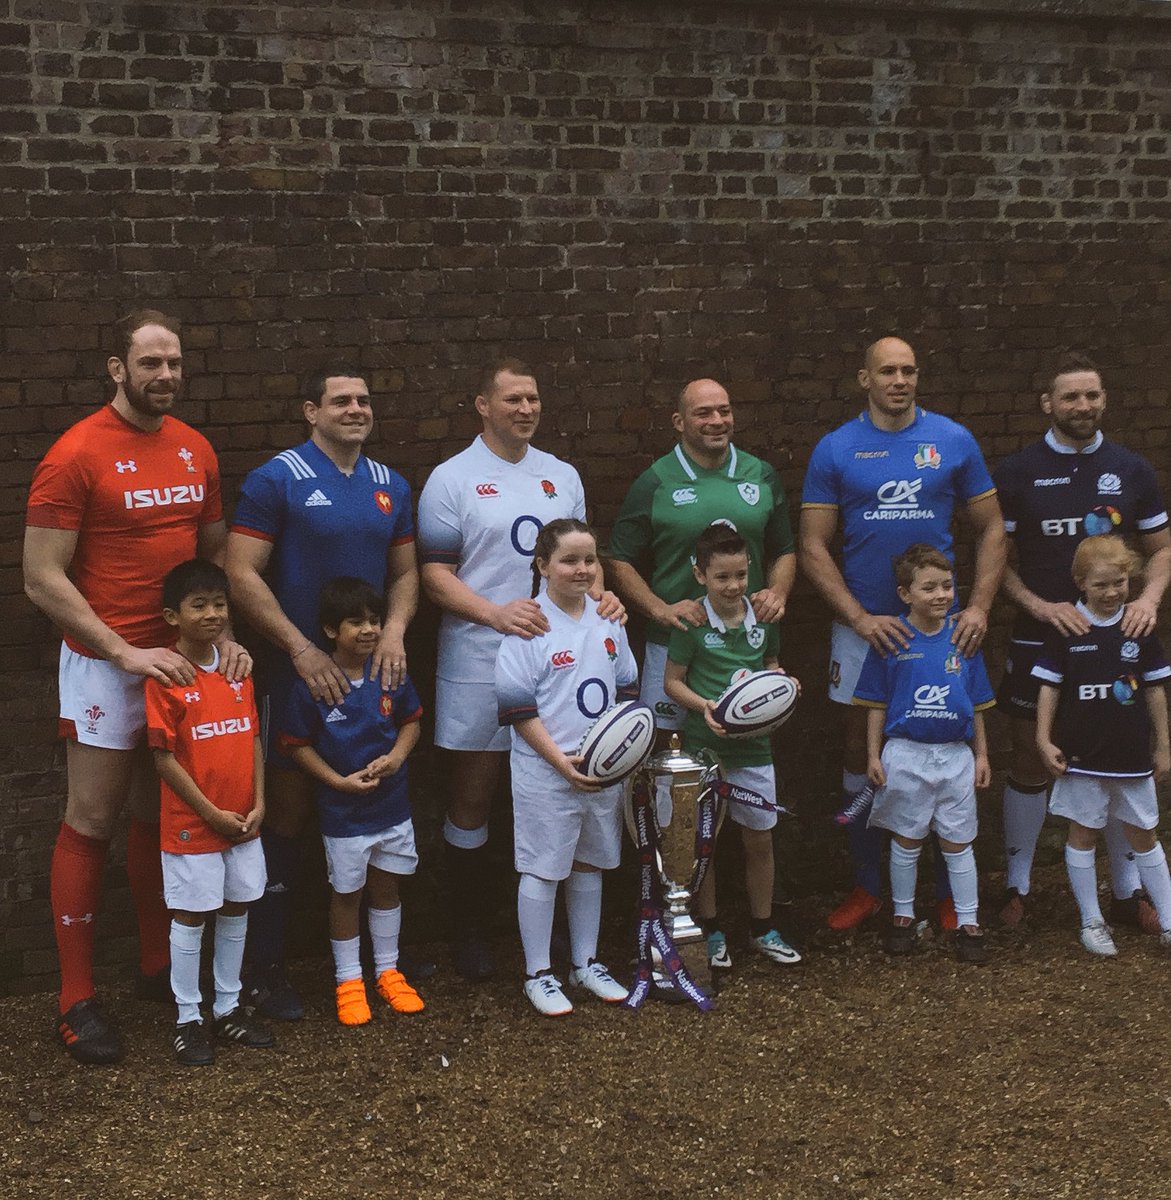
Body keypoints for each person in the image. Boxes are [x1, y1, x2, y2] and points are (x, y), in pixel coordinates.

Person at [24, 308, 248, 1065]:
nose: (165, 375)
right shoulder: (75, 453)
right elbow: (40, 575)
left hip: (181, 663)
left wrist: (222, 636)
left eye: (174, 362)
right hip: (107, 663)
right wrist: (121, 651)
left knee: (163, 815)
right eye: (150, 362)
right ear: (117, 369)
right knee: (92, 818)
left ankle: (159, 968)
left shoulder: (194, 448)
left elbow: (212, 557)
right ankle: (75, 999)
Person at [418, 358, 622, 981]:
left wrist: (604, 599)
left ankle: (560, 934)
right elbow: (433, 575)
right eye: (512, 400)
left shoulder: (561, 474)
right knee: (474, 796)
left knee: (563, 782)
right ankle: (471, 929)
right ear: (483, 405)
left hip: (561, 666)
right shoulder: (451, 478)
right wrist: (495, 614)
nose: (526, 409)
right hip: (478, 658)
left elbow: (584, 561)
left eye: (532, 398)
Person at [226, 365, 418, 1019]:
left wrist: (395, 632)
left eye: (364, 399)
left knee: (377, 802)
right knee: (286, 814)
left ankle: (381, 964)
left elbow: (405, 574)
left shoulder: (390, 484)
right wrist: (300, 648)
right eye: (341, 401)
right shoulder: (276, 478)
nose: (356, 409)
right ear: (312, 411)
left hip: (370, 677)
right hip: (298, 675)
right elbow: (240, 573)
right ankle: (265, 968)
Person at [800, 337, 1006, 931]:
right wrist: (859, 617)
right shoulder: (836, 448)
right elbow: (812, 544)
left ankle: (947, 893)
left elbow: (992, 527)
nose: (899, 380)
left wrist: (979, 608)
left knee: (949, 737)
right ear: (864, 379)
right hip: (864, 629)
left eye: (909, 370)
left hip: (940, 628)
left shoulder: (953, 439)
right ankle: (869, 885)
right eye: (887, 371)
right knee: (858, 750)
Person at [993, 352, 1171, 929]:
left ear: (1104, 400)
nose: (1082, 405)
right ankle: (1017, 886)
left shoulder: (1131, 469)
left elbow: (1162, 549)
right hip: (1042, 638)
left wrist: (1148, 600)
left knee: (1120, 756)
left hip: (1117, 643)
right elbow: (996, 562)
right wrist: (1041, 607)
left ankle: (1126, 893)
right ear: (1048, 403)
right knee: (1030, 754)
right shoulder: (1018, 472)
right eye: (1070, 396)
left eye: (1091, 395)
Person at [495, 519, 636, 1016]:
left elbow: (626, 689)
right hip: (546, 772)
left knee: (589, 863)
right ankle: (538, 973)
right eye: (569, 560)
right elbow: (518, 711)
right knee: (542, 867)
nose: (582, 569)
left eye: (589, 560)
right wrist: (561, 763)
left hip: (600, 771)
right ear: (542, 565)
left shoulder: (609, 619)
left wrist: (617, 754)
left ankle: (586, 962)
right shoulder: (527, 627)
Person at [608, 378, 796, 737]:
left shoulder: (761, 474)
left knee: (741, 740)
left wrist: (777, 593)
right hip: (674, 643)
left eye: (724, 411)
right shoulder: (655, 481)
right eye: (704, 413)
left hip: (743, 644)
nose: (717, 421)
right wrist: (659, 609)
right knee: (667, 748)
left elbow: (784, 550)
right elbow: (619, 559)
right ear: (679, 422)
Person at [280, 578, 425, 1024]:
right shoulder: (313, 686)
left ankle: (388, 972)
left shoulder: (390, 672)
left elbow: (411, 722)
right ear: (330, 630)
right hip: (343, 815)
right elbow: (296, 745)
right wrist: (336, 782)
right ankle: (348, 980)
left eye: (375, 620)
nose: (369, 630)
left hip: (391, 808)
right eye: (356, 622)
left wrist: (396, 758)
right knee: (346, 895)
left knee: (387, 889)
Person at [145, 560, 272, 1065]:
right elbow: (163, 759)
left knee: (238, 906)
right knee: (192, 914)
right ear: (172, 616)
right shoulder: (166, 677)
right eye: (198, 605)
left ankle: (227, 1007)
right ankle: (187, 1018)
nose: (212, 614)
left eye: (219, 604)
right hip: (193, 825)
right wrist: (211, 813)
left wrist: (260, 802)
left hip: (244, 821)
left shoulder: (238, 669)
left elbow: (253, 738)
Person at [663, 525, 801, 969]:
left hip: (755, 751)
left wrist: (784, 685)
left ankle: (763, 928)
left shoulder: (764, 617)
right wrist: (705, 706)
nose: (733, 585)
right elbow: (672, 682)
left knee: (760, 841)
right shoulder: (692, 622)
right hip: (705, 750)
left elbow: (771, 665)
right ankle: (712, 930)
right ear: (700, 575)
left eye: (741, 575)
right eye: (722, 577)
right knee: (705, 843)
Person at [853, 544, 995, 964]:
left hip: (954, 755)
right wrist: (873, 755)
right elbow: (876, 704)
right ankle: (902, 915)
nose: (940, 595)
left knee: (958, 841)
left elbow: (978, 703)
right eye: (929, 587)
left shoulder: (963, 637)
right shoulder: (891, 639)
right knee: (907, 837)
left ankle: (969, 921)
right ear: (905, 593)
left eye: (947, 586)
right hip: (905, 753)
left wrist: (982, 755)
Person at [1033, 535, 1171, 957]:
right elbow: (1049, 687)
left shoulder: (1139, 626)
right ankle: (1091, 921)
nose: (1111, 592)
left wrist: (1163, 745)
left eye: (1119, 583)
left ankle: (1169, 920)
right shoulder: (1067, 627)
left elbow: (1154, 690)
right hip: (1082, 756)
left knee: (1144, 835)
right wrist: (1042, 738)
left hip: (1131, 756)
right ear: (1080, 582)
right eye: (1101, 585)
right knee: (1083, 833)